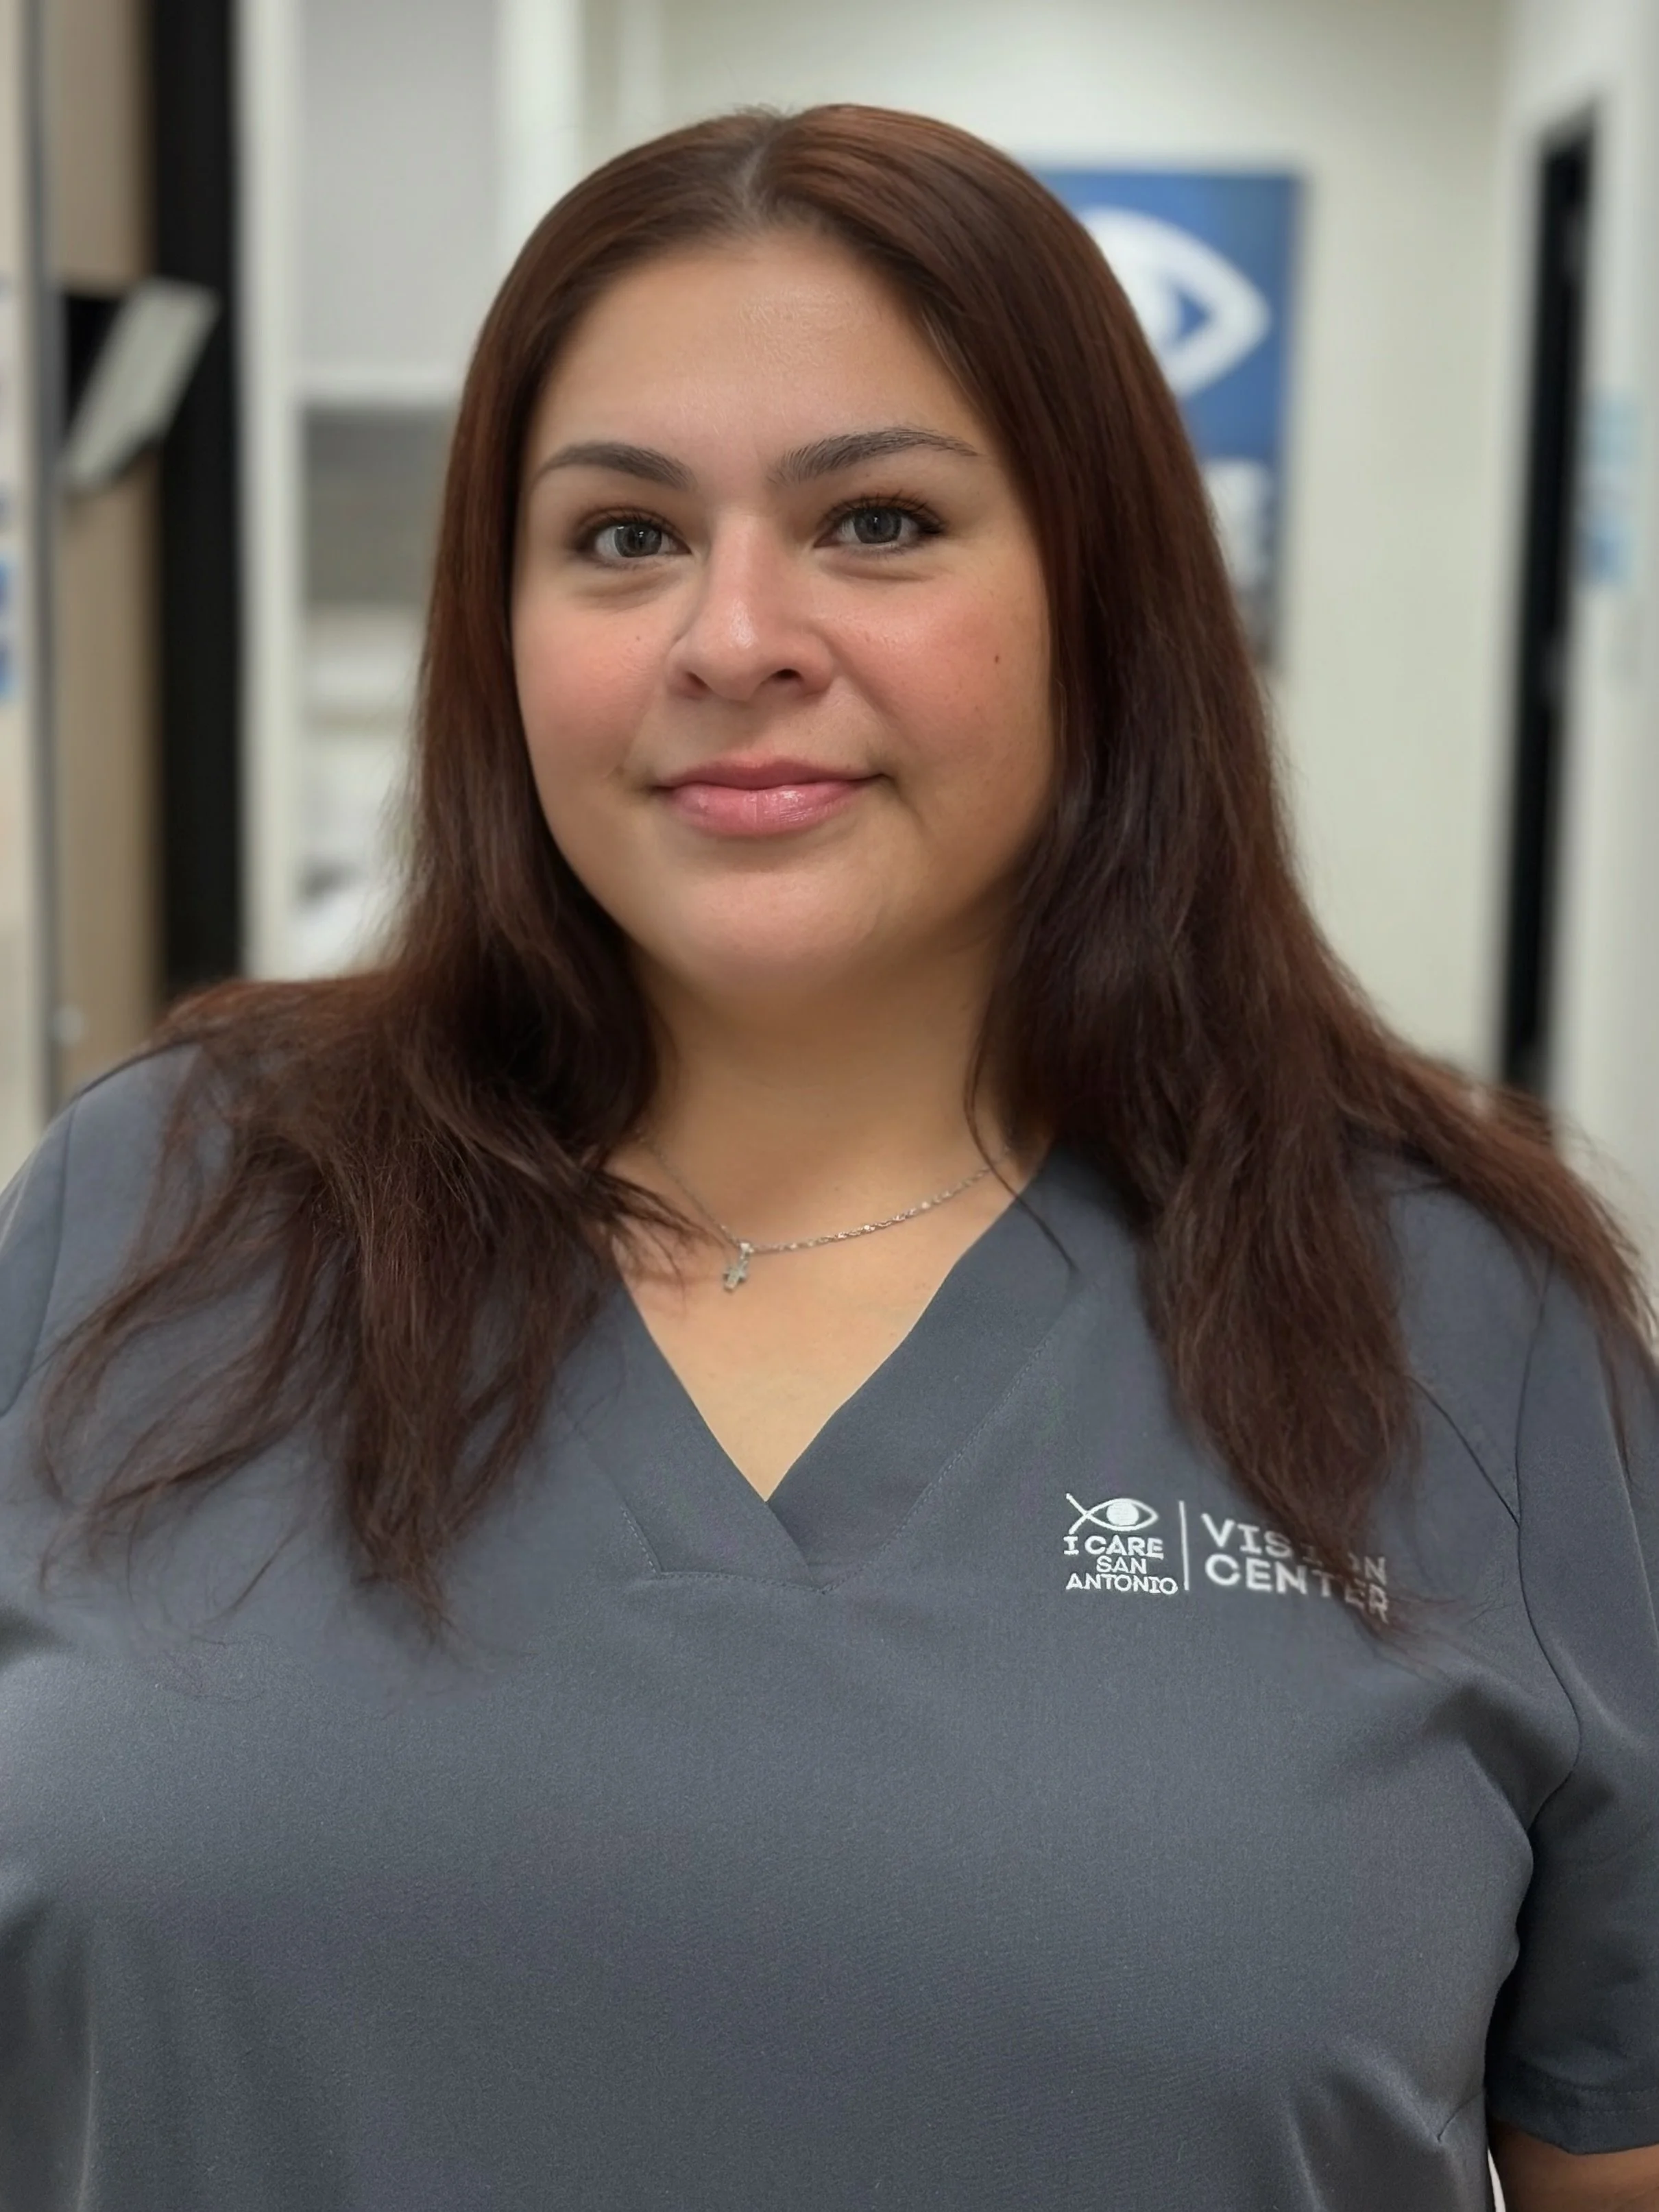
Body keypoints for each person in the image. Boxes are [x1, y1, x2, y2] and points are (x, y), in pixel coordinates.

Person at [1, 102, 1656, 2212]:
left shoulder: (1459, 1326)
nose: (731, 636)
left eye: (874, 522)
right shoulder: (164, 1210)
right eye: (620, 536)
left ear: (1101, 604)